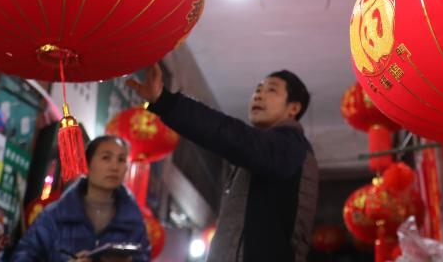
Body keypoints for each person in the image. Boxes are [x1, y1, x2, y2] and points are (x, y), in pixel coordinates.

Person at [127, 63, 318, 262]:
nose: (259, 95)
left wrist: (165, 101)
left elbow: (228, 134)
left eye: (271, 90)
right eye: (258, 89)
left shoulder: (291, 146)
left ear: (293, 108)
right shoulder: (265, 151)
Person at [12, 135, 151, 262]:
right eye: (106, 158)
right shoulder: (55, 216)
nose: (115, 167)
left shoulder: (134, 223)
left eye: (121, 160)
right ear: (86, 165)